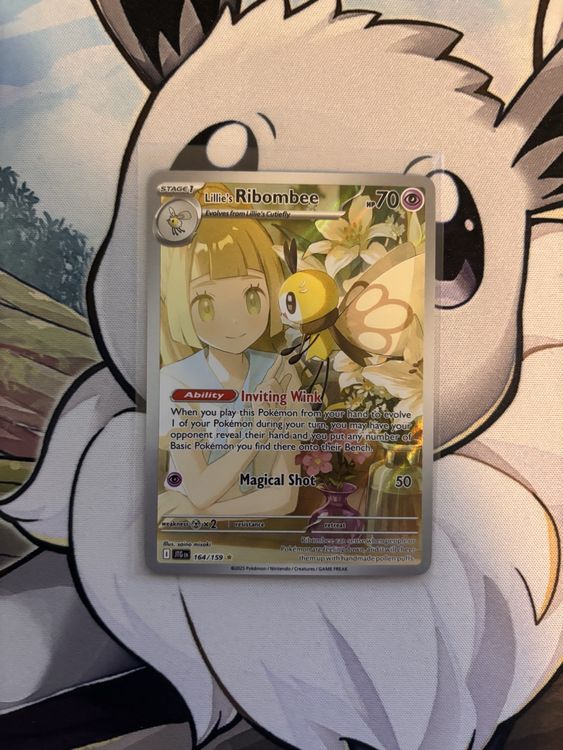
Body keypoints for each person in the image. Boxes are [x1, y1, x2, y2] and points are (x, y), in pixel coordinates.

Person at [158, 208, 300, 520]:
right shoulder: (175, 381)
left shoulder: (279, 372)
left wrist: (198, 514)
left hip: (250, 534)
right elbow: (200, 491)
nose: (235, 320)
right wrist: (256, 434)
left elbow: (284, 497)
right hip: (188, 535)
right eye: (206, 304)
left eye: (252, 296)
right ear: (181, 305)